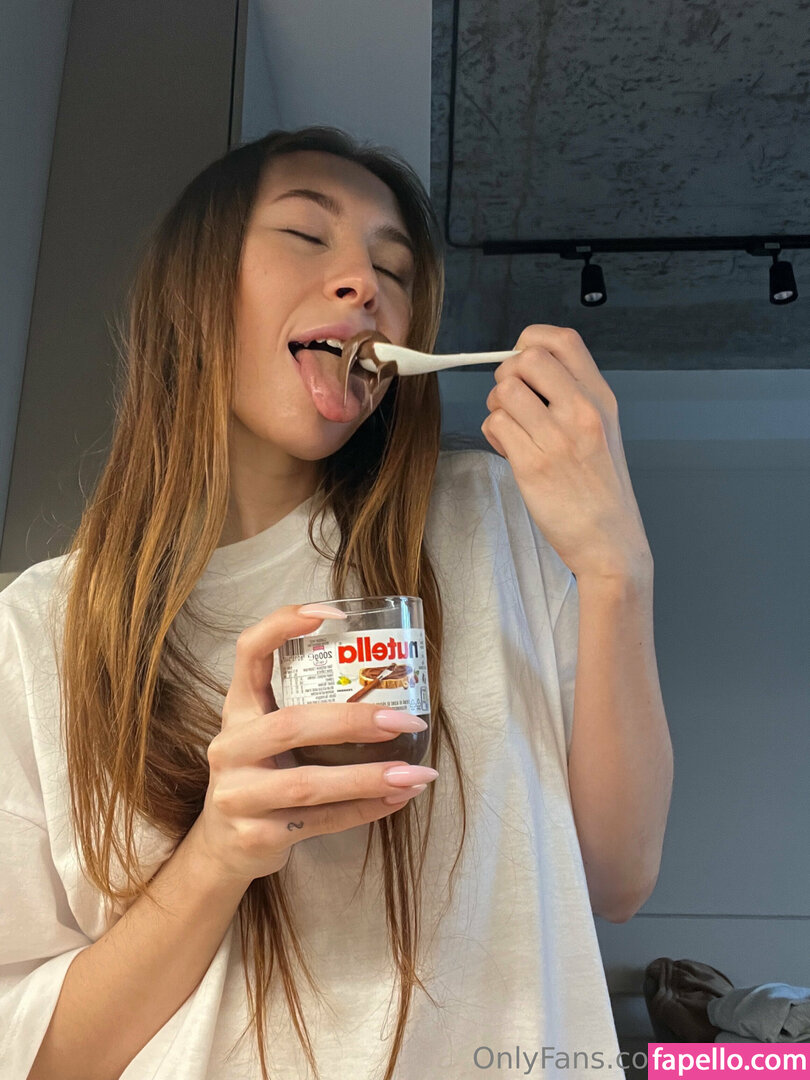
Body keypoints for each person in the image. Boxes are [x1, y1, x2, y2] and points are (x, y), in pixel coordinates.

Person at [0, 127, 625, 1080]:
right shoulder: (35, 633)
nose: (365, 283)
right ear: (193, 289)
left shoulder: (494, 519)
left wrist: (619, 571)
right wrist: (219, 853)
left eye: (394, 269)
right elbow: (37, 1058)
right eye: (305, 233)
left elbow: (617, 877)